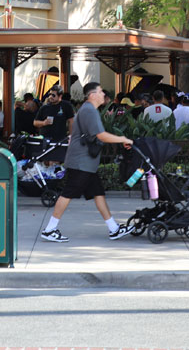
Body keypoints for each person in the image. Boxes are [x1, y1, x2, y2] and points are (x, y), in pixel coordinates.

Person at [39, 82, 134, 243]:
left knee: (98, 193)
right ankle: (49, 229)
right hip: (81, 162)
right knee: (67, 193)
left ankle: (113, 228)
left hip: (86, 162)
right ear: (92, 95)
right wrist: (122, 139)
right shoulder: (89, 110)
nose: (103, 94)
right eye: (100, 91)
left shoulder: (88, 110)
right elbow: (100, 135)